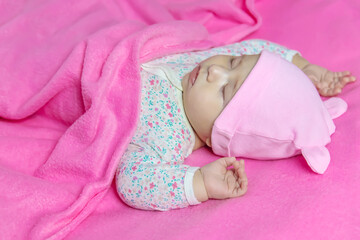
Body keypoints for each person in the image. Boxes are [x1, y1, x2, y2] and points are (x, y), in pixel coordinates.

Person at [115, 39, 356, 211]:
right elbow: (254, 49)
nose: (215, 70)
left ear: (214, 136)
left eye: (223, 90)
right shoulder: (202, 67)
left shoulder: (168, 134)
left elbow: (134, 180)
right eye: (232, 63)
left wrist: (200, 182)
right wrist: (304, 67)